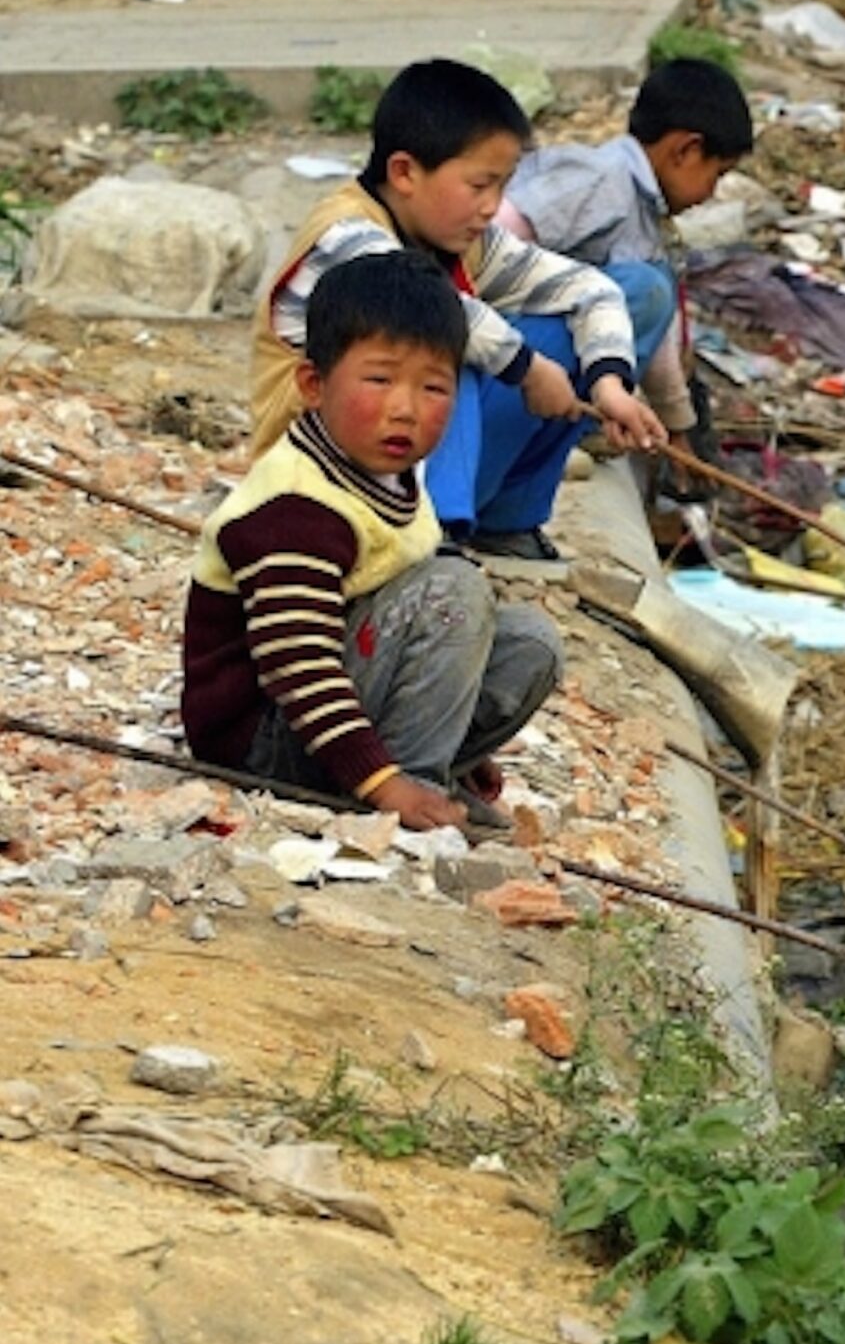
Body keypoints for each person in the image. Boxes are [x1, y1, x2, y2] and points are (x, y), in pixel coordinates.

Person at [187, 250, 561, 831]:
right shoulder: (297, 504)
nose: (405, 410)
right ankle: (407, 792)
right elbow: (299, 662)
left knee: (532, 642)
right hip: (268, 739)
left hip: (342, 702)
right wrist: (386, 785)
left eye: (434, 387)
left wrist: (464, 736)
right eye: (379, 379)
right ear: (313, 384)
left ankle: (430, 774)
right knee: (451, 589)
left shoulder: (390, 473)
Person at [250, 57, 667, 561]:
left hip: (404, 453)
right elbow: (444, 311)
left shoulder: (463, 242)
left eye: (501, 187)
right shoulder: (345, 234)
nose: (493, 207)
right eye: (478, 186)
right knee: (443, 348)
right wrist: (530, 369)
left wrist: (609, 384)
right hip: (321, 477)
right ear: (405, 172)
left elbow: (588, 290)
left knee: (609, 305)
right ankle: (434, 538)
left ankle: (505, 523)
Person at [497, 57, 753, 466]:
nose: (711, 193)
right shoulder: (599, 181)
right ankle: (559, 432)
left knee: (653, 285)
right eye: (716, 174)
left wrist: (678, 428)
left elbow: (661, 334)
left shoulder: (645, 213)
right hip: (501, 352)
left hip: (534, 353)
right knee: (642, 288)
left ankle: (574, 425)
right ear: (686, 150)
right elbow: (489, 240)